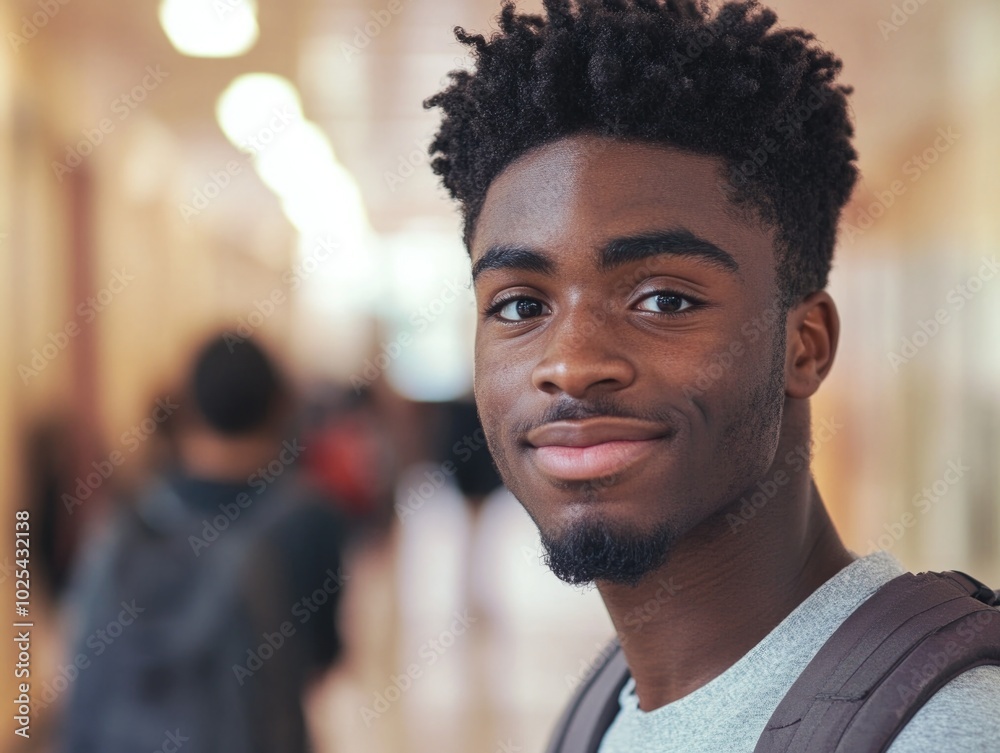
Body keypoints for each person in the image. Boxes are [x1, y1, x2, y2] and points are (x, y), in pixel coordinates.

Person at [423, 1, 1000, 751]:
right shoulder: (610, 705)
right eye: (521, 304)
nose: (569, 362)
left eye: (664, 299)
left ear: (806, 343)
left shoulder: (946, 730)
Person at [60, 334, 349, 753]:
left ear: (188, 408)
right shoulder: (312, 519)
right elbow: (321, 661)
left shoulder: (126, 520)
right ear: (279, 408)